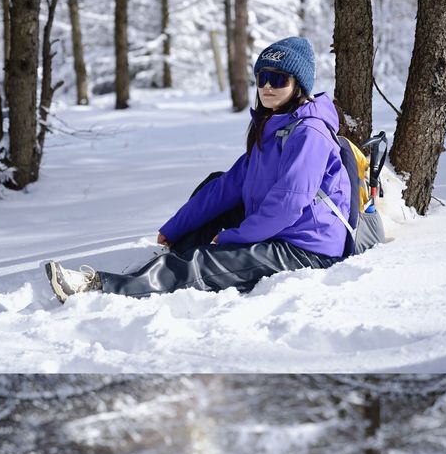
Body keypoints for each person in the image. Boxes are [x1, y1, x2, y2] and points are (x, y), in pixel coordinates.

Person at [44, 36, 351, 303]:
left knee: (206, 261)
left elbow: (287, 204)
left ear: (299, 85)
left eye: (280, 79)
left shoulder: (309, 133)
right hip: (282, 233)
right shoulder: (273, 126)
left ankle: (101, 288)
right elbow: (228, 186)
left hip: (307, 249)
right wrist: (175, 227)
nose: (268, 87)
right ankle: (175, 256)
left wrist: (234, 239)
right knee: (214, 185)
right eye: (262, 78)